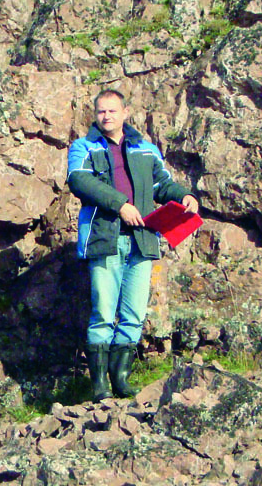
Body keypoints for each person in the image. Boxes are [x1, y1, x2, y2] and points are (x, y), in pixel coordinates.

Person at [66, 90, 199, 398]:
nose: (107, 116)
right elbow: (79, 180)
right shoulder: (83, 147)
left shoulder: (146, 149)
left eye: (112, 111)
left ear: (125, 112)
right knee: (103, 312)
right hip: (104, 239)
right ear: (95, 114)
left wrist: (183, 195)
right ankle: (99, 387)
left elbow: (161, 184)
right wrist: (121, 205)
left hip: (143, 240)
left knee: (134, 314)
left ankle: (121, 381)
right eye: (101, 111)